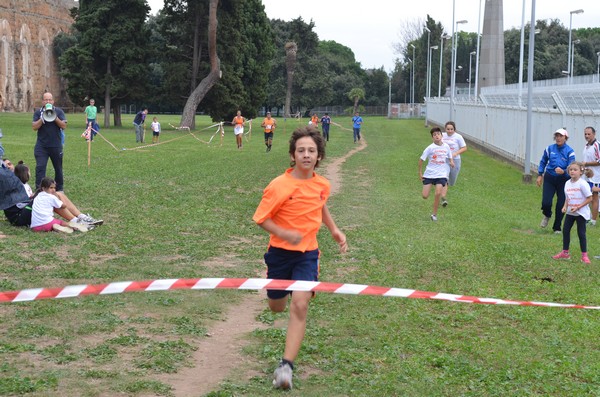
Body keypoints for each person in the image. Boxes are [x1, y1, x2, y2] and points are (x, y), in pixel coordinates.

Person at [253, 126, 347, 390]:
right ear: (293, 156)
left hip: (307, 254)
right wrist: (284, 233)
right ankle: (275, 292)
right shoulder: (279, 185)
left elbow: (320, 203)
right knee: (278, 307)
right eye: (301, 150)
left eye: (312, 150)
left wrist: (334, 229)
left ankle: (286, 366)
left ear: (319, 156)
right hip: (279, 254)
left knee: (300, 305)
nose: (306, 154)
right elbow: (261, 218)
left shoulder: (322, 184)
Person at [537, 128, 576, 233]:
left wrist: (564, 171)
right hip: (550, 178)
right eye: (557, 136)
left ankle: (557, 227)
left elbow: (572, 167)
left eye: (561, 136)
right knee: (546, 202)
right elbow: (543, 161)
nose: (558, 138)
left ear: (565, 138)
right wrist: (540, 175)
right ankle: (547, 215)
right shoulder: (549, 149)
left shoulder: (570, 151)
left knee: (561, 204)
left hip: (563, 180)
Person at [552, 162, 592, 264]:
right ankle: (565, 253)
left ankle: (584, 256)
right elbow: (568, 197)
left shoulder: (583, 184)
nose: (572, 171)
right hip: (570, 212)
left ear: (581, 171)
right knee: (565, 231)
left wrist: (578, 207)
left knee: (581, 233)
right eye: (571, 170)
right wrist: (565, 207)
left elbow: (589, 198)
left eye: (575, 169)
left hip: (581, 213)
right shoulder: (567, 183)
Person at [32, 92, 67, 192]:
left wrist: (55, 117)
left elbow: (63, 126)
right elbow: (34, 127)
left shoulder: (59, 112)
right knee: (40, 167)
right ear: (43, 101)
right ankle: (39, 189)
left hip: (56, 145)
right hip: (41, 146)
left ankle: (59, 188)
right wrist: (42, 119)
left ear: (53, 101)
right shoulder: (38, 113)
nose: (48, 102)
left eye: (50, 100)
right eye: (46, 100)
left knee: (58, 168)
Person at [418, 127, 455, 221]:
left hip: (441, 174)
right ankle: (432, 185)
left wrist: (451, 162)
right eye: (434, 135)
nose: (437, 136)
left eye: (438, 134)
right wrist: (420, 173)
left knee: (438, 193)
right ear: (432, 138)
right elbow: (421, 160)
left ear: (441, 136)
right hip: (429, 174)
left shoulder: (446, 146)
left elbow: (450, 156)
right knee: (425, 196)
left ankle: (434, 215)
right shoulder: (430, 148)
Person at [440, 121, 467, 207]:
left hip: (455, 160)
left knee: (452, 180)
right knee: (445, 178)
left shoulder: (458, 137)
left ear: (454, 129)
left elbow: (464, 148)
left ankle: (448, 185)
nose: (450, 131)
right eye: (448, 129)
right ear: (445, 129)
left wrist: (455, 153)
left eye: (451, 129)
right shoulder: (442, 135)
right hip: (445, 160)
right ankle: (443, 198)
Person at [582, 126, 600, 226]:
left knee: (594, 197)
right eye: (585, 134)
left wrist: (587, 164)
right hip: (587, 175)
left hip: (596, 177)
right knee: (587, 196)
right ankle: (587, 217)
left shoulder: (597, 145)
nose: (587, 136)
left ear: (594, 134)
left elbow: (599, 161)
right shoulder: (586, 145)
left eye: (589, 134)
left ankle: (593, 220)